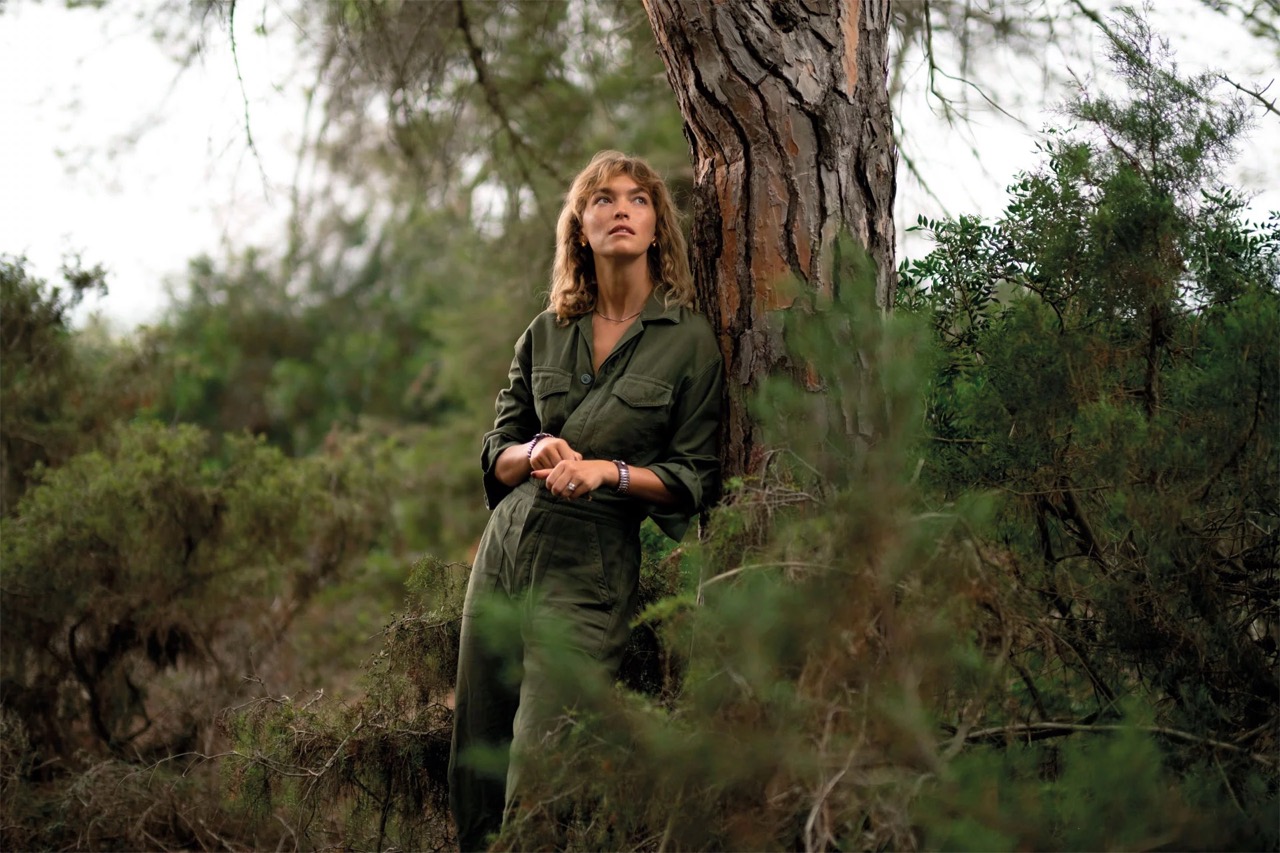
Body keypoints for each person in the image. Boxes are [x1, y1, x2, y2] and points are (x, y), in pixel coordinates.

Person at [447, 150, 723, 850]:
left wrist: (610, 473)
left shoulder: (689, 342)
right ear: (579, 226)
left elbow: (694, 476)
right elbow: (497, 449)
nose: (621, 209)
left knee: (544, 764)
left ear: (657, 226)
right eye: (603, 199)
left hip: (590, 567)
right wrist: (534, 450)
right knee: (477, 755)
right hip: (506, 552)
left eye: (637, 198)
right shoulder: (547, 329)